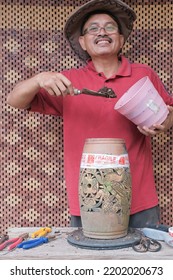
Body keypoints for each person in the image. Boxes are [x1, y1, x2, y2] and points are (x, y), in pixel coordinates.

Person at [7, 0, 173, 228]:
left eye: (110, 27)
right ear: (83, 42)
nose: (102, 32)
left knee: (148, 261)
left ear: (122, 39)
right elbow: (14, 100)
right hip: (89, 200)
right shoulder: (67, 81)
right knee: (88, 262)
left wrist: (162, 123)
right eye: (93, 28)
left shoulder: (143, 75)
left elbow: (168, 112)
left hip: (139, 201)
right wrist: (39, 79)